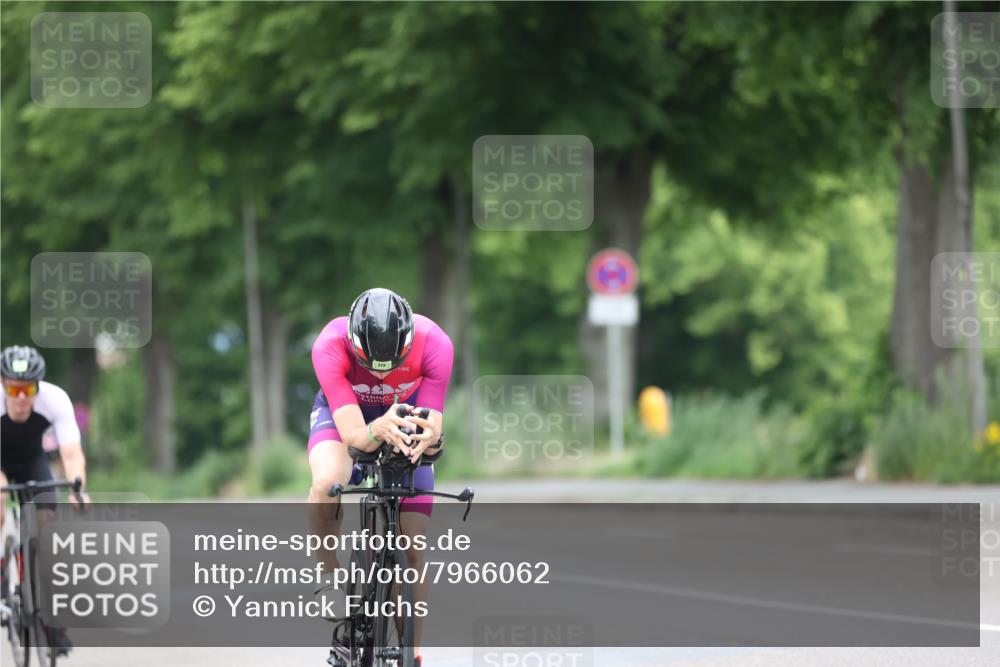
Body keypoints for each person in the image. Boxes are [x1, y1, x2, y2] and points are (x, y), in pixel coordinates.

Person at [308, 288, 453, 666]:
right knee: (329, 480)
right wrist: (377, 429)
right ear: (354, 343)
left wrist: (429, 438)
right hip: (345, 415)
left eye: (393, 362)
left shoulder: (435, 342)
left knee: (414, 546)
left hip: (404, 414)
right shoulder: (329, 344)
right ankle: (328, 572)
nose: (382, 371)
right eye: (370, 362)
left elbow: (434, 426)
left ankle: (413, 652)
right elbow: (356, 436)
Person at [1, 345, 91, 655]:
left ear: (38, 386)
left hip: (32, 461)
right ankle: (2, 573)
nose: (22, 397)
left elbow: (70, 453)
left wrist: (77, 488)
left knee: (47, 526)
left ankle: (51, 618)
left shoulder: (55, 399)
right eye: (14, 388)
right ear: (3, 384)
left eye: (28, 388)